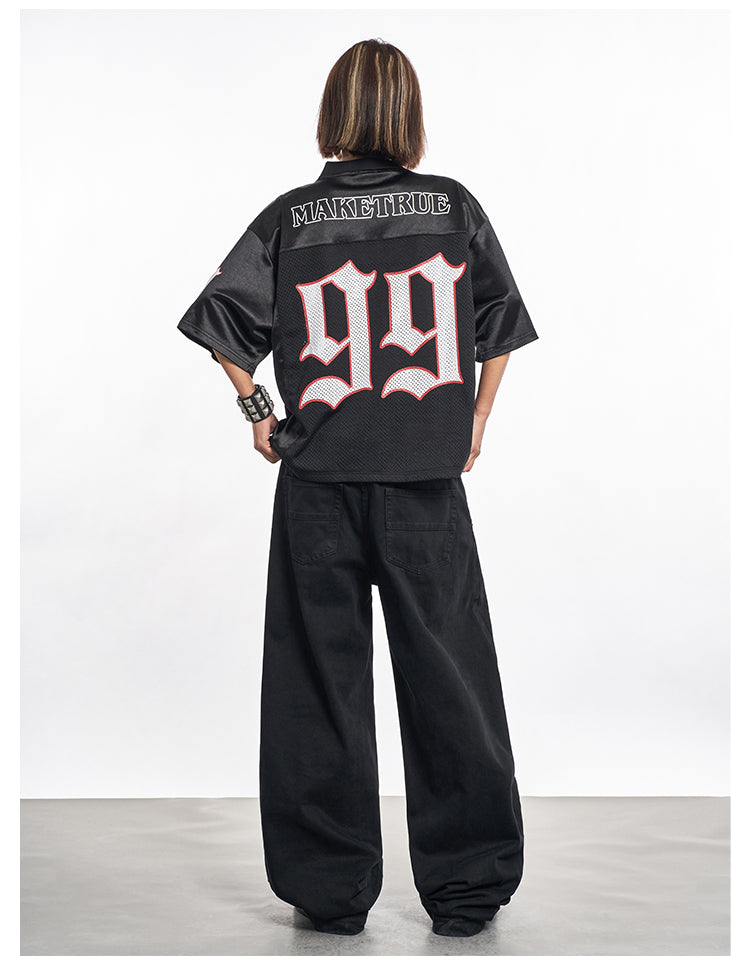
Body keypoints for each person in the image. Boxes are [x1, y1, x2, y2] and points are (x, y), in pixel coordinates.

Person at [177, 38, 539, 939]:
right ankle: (468, 888)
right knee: (451, 684)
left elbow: (223, 322)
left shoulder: (292, 218)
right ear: (408, 115)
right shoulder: (452, 207)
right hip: (425, 486)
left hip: (319, 485)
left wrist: (258, 410)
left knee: (318, 685)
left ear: (333, 113)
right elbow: (498, 324)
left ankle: (330, 890)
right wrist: (476, 420)